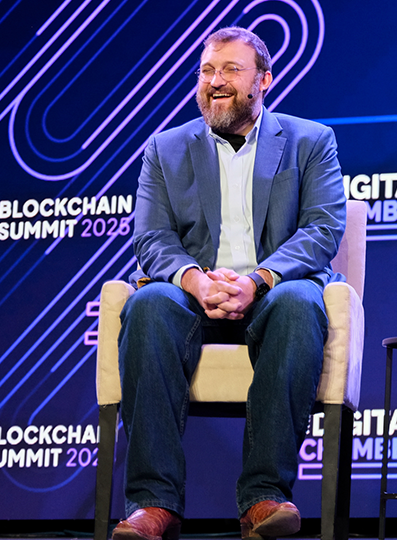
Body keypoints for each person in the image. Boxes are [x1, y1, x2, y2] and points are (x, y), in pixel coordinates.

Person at [113, 28, 347, 540]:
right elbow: (151, 237)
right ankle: (154, 505)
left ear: (264, 80)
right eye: (206, 71)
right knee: (149, 303)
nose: (215, 82)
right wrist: (194, 281)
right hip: (192, 296)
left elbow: (323, 228)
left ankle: (263, 497)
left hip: (270, 289)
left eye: (230, 71)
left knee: (299, 302)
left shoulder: (310, 142)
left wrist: (258, 280)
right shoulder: (164, 148)